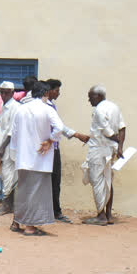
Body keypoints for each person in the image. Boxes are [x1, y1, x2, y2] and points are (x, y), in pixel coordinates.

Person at [9, 81, 65, 236]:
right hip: (40, 157)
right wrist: (50, 140)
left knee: (23, 190)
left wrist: (14, 152)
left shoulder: (20, 110)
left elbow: (14, 133)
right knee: (36, 192)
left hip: (23, 157)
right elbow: (59, 127)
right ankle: (30, 226)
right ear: (46, 93)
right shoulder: (47, 109)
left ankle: (16, 221)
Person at [44, 79, 89, 223]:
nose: (58, 93)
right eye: (56, 90)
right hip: (50, 148)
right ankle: (55, 212)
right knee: (53, 181)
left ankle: (52, 210)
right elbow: (60, 127)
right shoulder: (47, 107)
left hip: (50, 148)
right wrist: (77, 135)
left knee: (52, 181)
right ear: (49, 91)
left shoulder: (49, 106)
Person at [81, 85, 126, 226]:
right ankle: (108, 215)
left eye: (90, 97)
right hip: (110, 150)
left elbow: (108, 132)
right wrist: (120, 147)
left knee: (97, 181)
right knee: (108, 180)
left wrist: (117, 141)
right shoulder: (114, 107)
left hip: (99, 150)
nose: (89, 100)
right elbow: (122, 127)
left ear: (98, 96)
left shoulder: (99, 110)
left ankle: (101, 216)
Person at [0, 82, 21, 215]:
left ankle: (7, 205)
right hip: (1, 145)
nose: (3, 95)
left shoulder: (15, 107)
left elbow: (12, 131)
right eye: (1, 92)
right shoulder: (4, 106)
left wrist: (2, 147)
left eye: (6, 92)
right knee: (5, 175)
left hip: (9, 147)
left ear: (13, 93)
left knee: (8, 176)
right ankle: (8, 204)